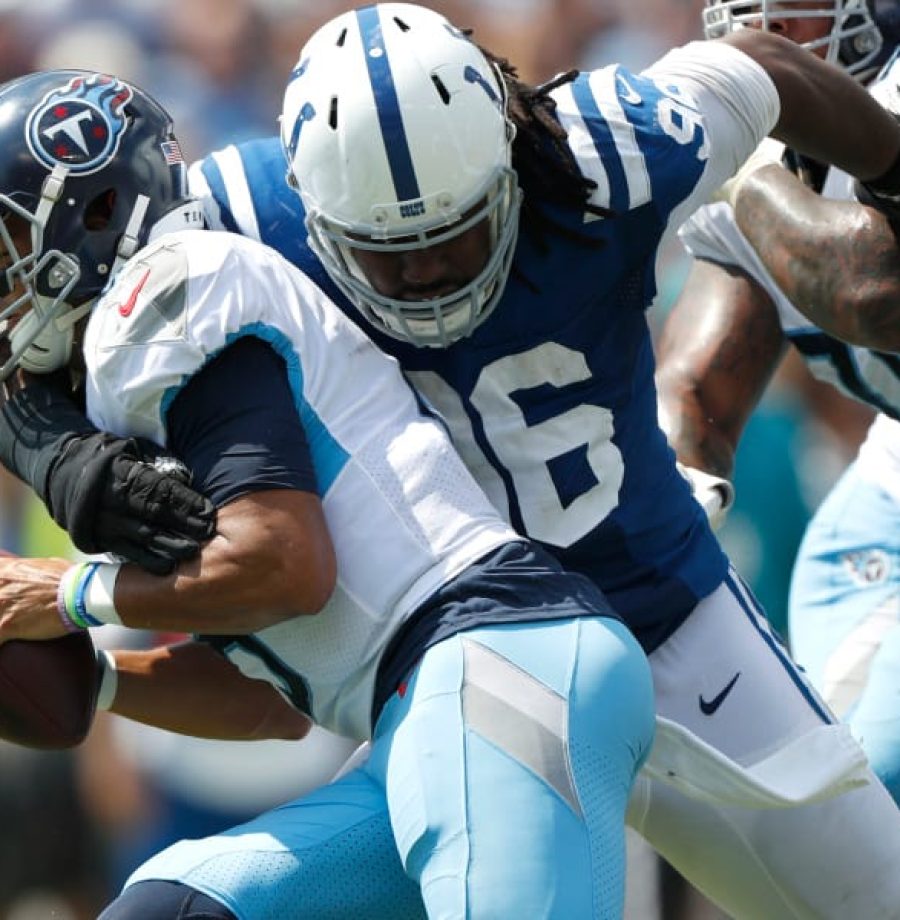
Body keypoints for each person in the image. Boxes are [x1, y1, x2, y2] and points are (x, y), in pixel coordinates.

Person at [4, 4, 900, 917]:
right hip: (449, 674)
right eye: (389, 256)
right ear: (311, 215)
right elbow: (55, 318)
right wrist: (53, 449)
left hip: (661, 619)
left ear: (510, 165)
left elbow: (764, 67)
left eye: (458, 233)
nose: (431, 273)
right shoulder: (238, 220)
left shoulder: (604, 147)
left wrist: (893, 171)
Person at [0, 68, 656, 920]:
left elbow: (285, 565)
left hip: (492, 668)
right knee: (168, 909)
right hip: (424, 708)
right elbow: (272, 703)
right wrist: (101, 681)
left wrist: (66, 592)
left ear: (94, 219)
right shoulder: (137, 365)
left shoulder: (161, 296)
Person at [656, 0, 900, 805]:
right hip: (885, 492)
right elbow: (698, 389)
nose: (763, 41)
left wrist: (741, 166)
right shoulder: (761, 165)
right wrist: (668, 497)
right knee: (840, 800)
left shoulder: (756, 164)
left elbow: (873, 291)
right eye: (745, 17)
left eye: (792, 15)